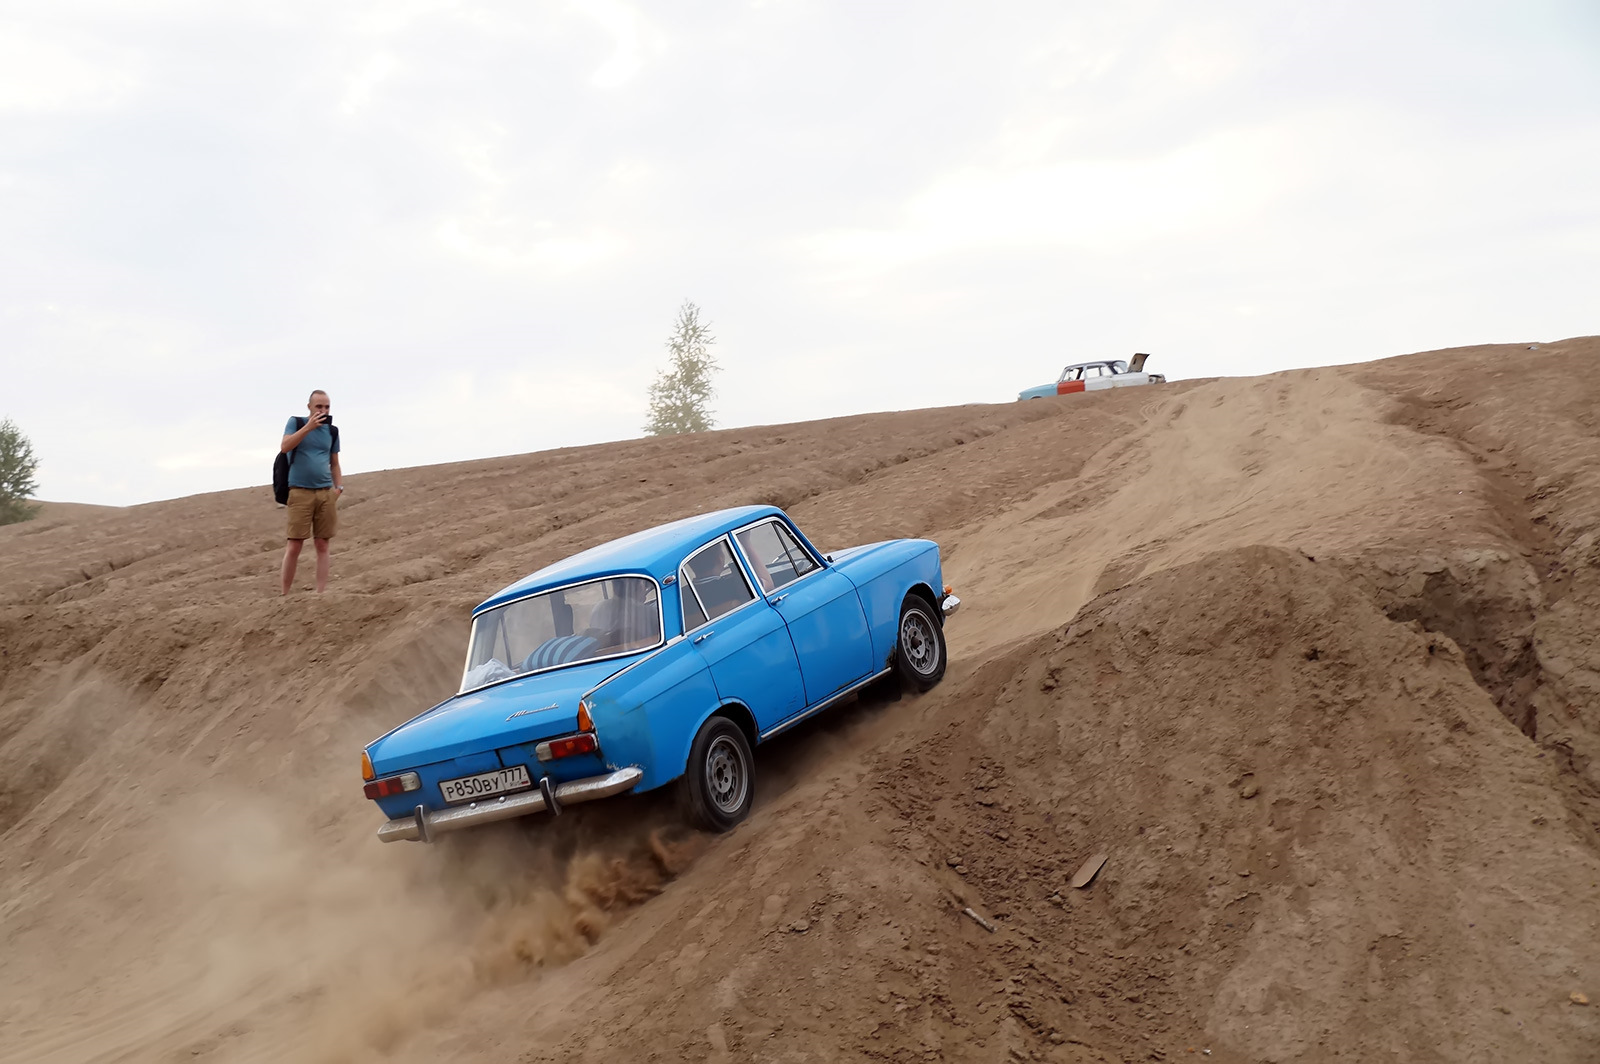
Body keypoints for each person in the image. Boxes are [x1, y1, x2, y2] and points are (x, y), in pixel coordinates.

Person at [279, 390, 343, 594]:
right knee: (295, 544)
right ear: (309, 407)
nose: (323, 411)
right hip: (300, 491)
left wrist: (338, 488)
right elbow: (285, 447)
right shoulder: (296, 423)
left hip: (325, 492)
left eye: (327, 407)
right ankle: (285, 594)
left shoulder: (332, 431)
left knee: (322, 543)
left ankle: (320, 593)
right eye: (319, 407)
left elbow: (334, 462)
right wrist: (308, 427)